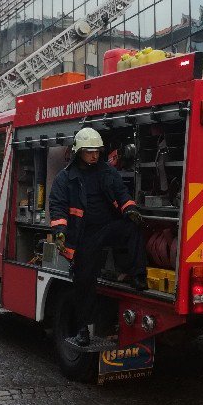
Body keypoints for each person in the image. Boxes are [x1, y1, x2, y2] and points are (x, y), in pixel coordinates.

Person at [49, 128, 147, 346]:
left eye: (97, 151)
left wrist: (129, 209)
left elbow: (121, 194)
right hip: (84, 236)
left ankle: (138, 275)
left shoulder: (106, 171)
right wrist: (60, 232)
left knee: (131, 228)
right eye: (90, 152)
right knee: (83, 282)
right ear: (78, 152)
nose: (95, 155)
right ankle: (83, 330)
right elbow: (57, 208)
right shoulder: (65, 178)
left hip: (107, 227)